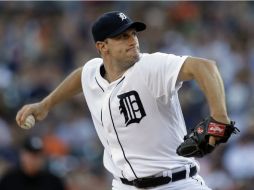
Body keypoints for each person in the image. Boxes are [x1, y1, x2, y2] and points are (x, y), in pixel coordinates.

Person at [16, 11, 232, 190]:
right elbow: (81, 76)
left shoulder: (150, 67)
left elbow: (205, 67)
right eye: (122, 37)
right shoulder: (93, 71)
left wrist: (219, 117)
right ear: (102, 46)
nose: (132, 41)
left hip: (177, 183)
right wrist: (45, 104)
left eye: (133, 34)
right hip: (124, 185)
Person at [0, 136, 65, 190]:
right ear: (22, 155)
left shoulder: (53, 182)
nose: (34, 159)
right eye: (31, 154)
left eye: (38, 155)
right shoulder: (9, 180)